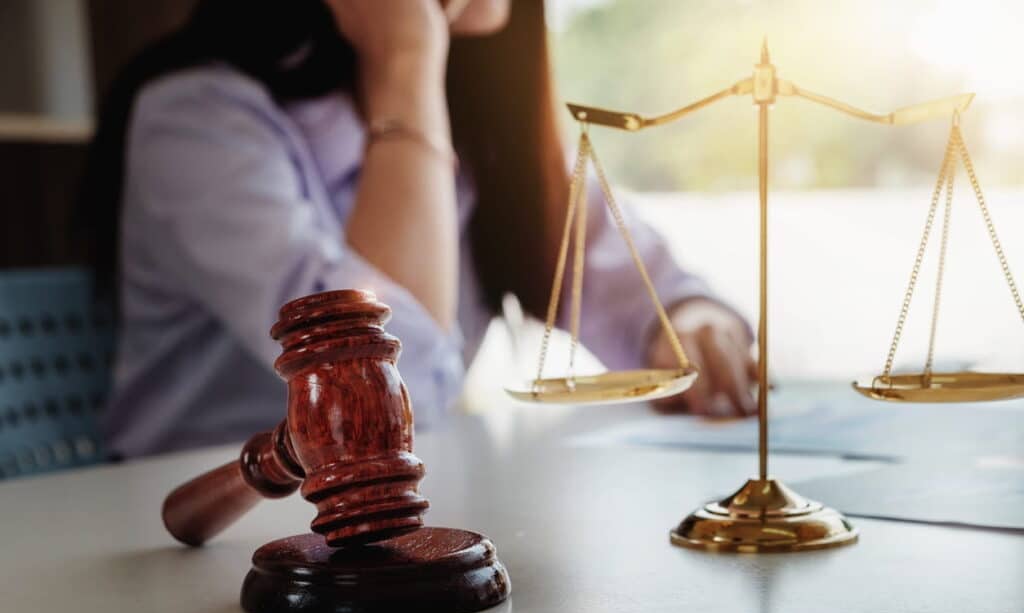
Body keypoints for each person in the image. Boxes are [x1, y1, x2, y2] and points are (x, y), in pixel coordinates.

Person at [80, 0, 756, 458]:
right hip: (202, 541)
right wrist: (403, 61)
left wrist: (691, 319)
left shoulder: (478, 120)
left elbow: (637, 284)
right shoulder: (196, 117)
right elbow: (383, 390)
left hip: (390, 525)